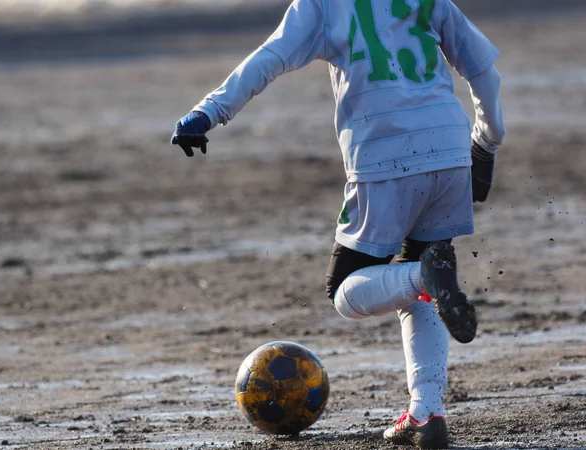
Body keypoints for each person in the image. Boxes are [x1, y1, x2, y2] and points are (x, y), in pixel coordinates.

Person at [171, 0, 505, 447]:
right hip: (449, 148)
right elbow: (482, 68)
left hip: (384, 158)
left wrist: (209, 112)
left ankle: (424, 275)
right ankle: (427, 413)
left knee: (346, 289)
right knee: (422, 284)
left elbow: (270, 58)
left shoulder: (324, 4)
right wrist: (485, 143)